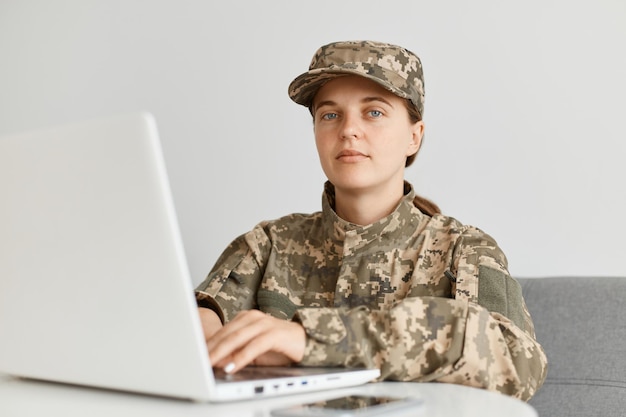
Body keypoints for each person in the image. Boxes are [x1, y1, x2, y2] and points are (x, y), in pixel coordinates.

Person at [195, 40, 547, 401]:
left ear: (414, 136)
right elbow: (193, 327)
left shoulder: (463, 250)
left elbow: (518, 361)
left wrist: (311, 339)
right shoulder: (268, 243)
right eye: (330, 115)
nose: (348, 130)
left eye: (374, 112)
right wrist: (199, 331)